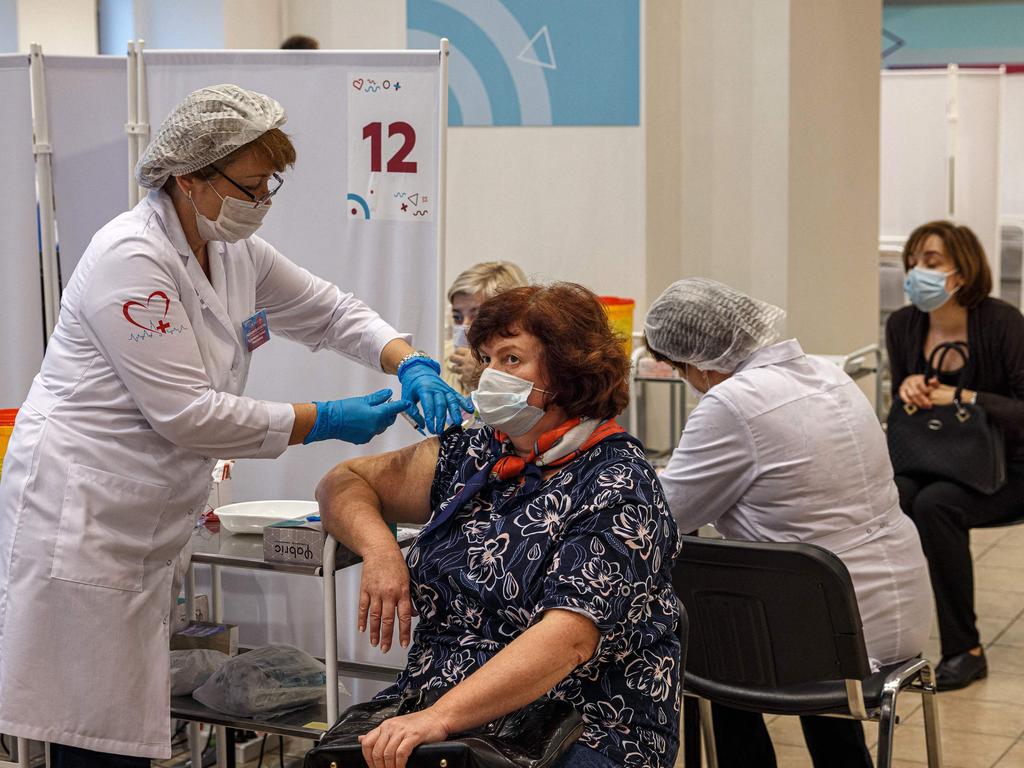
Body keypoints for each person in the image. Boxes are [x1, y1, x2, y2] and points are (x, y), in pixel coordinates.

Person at [0, 84, 465, 767]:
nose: (264, 201)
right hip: (84, 516)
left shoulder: (231, 249)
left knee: (122, 719)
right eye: (251, 185)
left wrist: (410, 360)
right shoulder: (131, 259)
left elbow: (331, 311)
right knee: (92, 732)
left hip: (143, 510)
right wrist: (327, 419)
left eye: (271, 184)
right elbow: (188, 414)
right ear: (188, 178)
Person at [317, 283, 682, 768]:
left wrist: (439, 718)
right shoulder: (477, 453)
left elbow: (568, 638)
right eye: (487, 359)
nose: (491, 376)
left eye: (511, 360)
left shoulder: (618, 482)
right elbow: (343, 483)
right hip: (444, 715)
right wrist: (382, 552)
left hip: (579, 722)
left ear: (568, 371)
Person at [645, 278, 931, 768]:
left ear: (696, 361)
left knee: (706, 640)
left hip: (831, 632)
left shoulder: (731, 403)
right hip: (889, 608)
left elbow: (670, 515)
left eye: (678, 369)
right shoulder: (827, 373)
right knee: (769, 619)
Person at [886, 220, 1024, 691]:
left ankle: (965, 650)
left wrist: (964, 398)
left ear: (961, 272)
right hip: (935, 459)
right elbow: (905, 413)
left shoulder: (1003, 323)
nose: (914, 270)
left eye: (930, 261)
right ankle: (889, 639)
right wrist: (908, 389)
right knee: (894, 497)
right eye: (912, 259)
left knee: (935, 505)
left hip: (1009, 468)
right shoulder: (903, 325)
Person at [442, 261, 528, 395]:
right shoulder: (441, 357)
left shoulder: (524, 359)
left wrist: (486, 377)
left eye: (477, 316)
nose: (465, 327)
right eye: (457, 317)